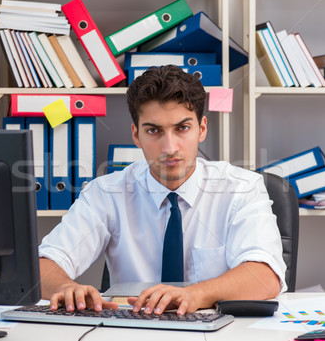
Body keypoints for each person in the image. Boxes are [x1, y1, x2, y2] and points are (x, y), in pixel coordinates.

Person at [38, 65, 286, 315]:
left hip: (219, 336)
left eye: (182, 128)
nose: (169, 147)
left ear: (201, 129)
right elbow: (44, 264)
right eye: (154, 131)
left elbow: (265, 277)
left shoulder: (241, 188)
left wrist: (196, 294)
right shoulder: (105, 193)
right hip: (133, 334)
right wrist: (66, 287)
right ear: (136, 135)